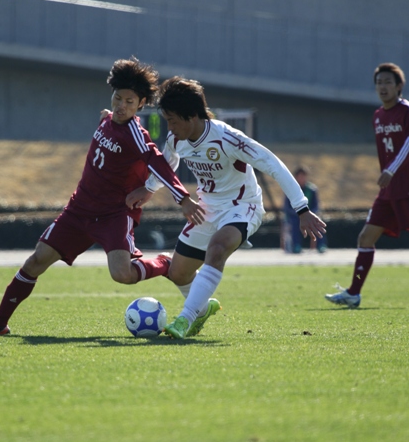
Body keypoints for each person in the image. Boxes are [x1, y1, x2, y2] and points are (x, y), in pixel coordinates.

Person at [0, 58, 203, 336]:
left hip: (113, 215)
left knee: (122, 275)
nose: (121, 106)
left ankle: (165, 264)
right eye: (117, 98)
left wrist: (182, 197)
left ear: (141, 104)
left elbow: (157, 161)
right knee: (35, 262)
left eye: (129, 102)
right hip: (78, 211)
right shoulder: (107, 118)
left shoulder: (136, 132)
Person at [126, 76, 327, 339]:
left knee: (218, 248)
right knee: (178, 273)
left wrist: (302, 208)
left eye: (173, 120)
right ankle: (201, 308)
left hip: (243, 207)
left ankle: (185, 320)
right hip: (207, 209)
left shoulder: (228, 138)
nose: (170, 127)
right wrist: (149, 188)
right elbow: (168, 164)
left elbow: (272, 163)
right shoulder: (177, 140)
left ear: (192, 116)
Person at [325, 62, 409, 309]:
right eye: (379, 83)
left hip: (405, 187)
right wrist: (388, 174)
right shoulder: (377, 116)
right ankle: (353, 292)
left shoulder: (406, 111)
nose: (382, 87)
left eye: (387, 82)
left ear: (399, 86)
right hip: (388, 190)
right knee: (365, 238)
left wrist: (391, 170)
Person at [282, 165, 327, 254]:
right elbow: (286, 207)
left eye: (303, 176)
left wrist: (310, 213)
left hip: (309, 215)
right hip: (294, 216)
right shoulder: (291, 189)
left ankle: (321, 245)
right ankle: (296, 245)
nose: (301, 178)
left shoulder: (311, 190)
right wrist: (298, 214)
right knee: (295, 222)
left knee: (317, 222)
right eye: (299, 176)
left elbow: (316, 206)